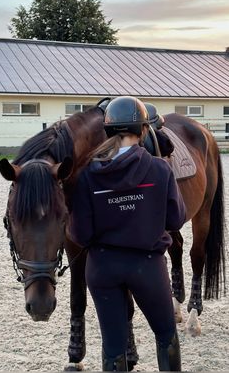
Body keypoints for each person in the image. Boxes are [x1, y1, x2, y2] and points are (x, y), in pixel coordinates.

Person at [69, 96, 186, 371]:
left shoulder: (88, 175)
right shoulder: (160, 169)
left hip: (103, 266)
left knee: (113, 345)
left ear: (109, 130)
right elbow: (176, 218)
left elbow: (80, 234)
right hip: (147, 265)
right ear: (144, 130)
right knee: (166, 334)